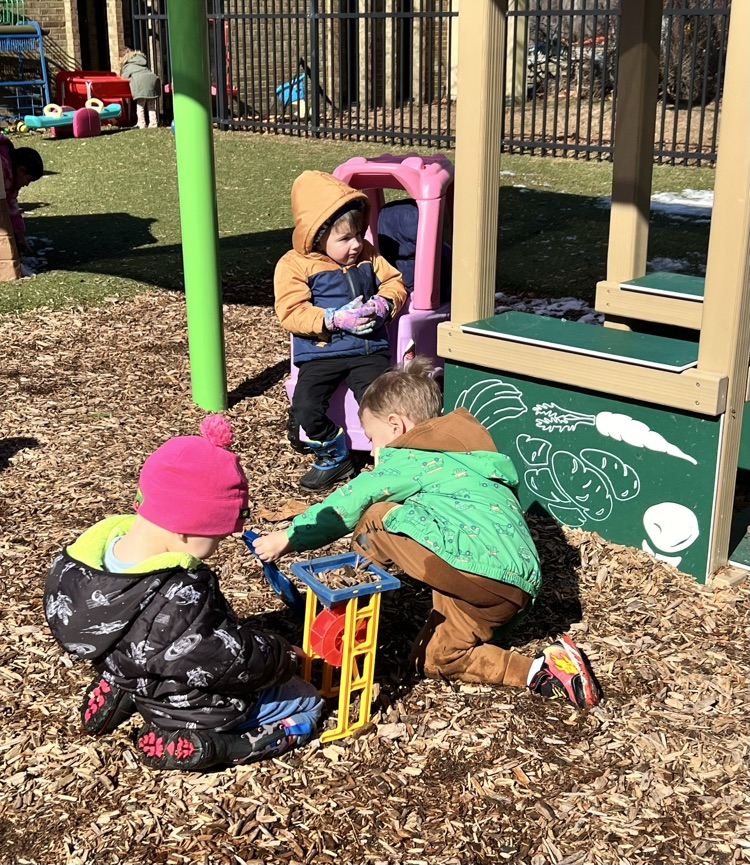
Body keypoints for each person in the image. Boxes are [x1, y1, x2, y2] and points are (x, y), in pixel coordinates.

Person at [254, 358, 603, 709]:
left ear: (396, 425)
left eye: (374, 439)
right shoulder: (468, 458)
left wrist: (289, 537)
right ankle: (543, 671)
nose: (374, 451)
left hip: (476, 569)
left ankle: (350, 604)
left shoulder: (413, 456)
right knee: (435, 658)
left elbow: (352, 498)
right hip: (507, 587)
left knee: (376, 515)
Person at [44, 415, 324, 771]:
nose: (223, 542)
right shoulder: (177, 598)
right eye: (220, 534)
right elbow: (227, 660)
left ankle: (120, 686)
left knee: (141, 647)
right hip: (188, 705)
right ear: (187, 531)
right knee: (306, 700)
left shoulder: (79, 564)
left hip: (129, 664)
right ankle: (225, 744)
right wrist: (284, 657)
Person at [275, 170, 408, 492]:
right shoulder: (295, 264)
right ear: (317, 235)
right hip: (322, 352)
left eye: (360, 234)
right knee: (306, 406)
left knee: (379, 400)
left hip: (367, 351)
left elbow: (394, 283)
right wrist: (332, 319)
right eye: (345, 238)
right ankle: (332, 453)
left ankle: (391, 457)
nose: (355, 244)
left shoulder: (369, 256)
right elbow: (291, 312)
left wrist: (383, 305)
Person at [0, 135, 43, 254]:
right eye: (28, 180)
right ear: (21, 170)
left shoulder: (10, 175)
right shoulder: (3, 170)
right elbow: (9, 204)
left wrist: (19, 234)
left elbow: (11, 204)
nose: (26, 185)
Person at [119, 49, 161, 129]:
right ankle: (153, 123)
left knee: (140, 106)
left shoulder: (129, 65)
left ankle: (141, 123)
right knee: (151, 105)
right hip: (151, 81)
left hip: (141, 85)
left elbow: (124, 76)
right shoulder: (142, 62)